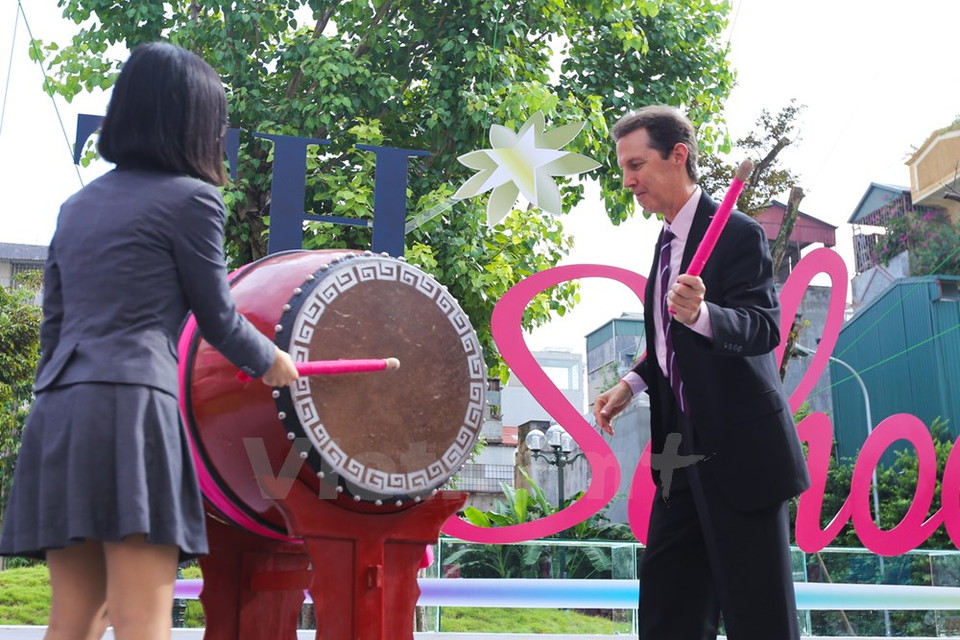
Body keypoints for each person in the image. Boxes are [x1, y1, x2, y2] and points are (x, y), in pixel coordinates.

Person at [0, 42, 300, 640]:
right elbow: (217, 317)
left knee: (74, 619)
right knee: (144, 620)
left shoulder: (77, 205)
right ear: (192, 121)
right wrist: (273, 361)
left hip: (58, 412)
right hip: (132, 410)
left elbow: (53, 327)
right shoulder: (193, 201)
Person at [593, 105, 810, 640]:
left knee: (758, 616)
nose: (628, 182)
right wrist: (632, 382)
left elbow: (762, 328)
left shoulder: (736, 233)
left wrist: (705, 313)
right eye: (624, 168)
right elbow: (671, 339)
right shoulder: (666, 242)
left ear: (679, 155)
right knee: (669, 608)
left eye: (637, 164)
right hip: (678, 453)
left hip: (740, 449)